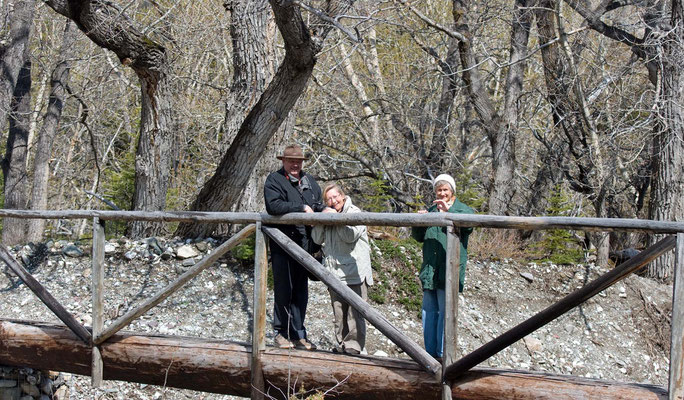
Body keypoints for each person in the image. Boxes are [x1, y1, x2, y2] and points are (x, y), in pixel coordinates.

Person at [264, 144, 325, 350]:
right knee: (283, 289)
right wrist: (300, 208)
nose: (295, 164)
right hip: (283, 243)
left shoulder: (309, 181)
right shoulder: (275, 180)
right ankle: (280, 333)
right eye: (291, 161)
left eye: (298, 161)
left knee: (301, 291)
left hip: (305, 245)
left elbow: (316, 203)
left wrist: (324, 210)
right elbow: (273, 206)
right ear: (283, 161)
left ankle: (299, 334)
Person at [411, 174, 473, 360]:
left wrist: (450, 213)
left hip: (449, 271)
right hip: (430, 270)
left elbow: (469, 224)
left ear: (452, 191)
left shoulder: (462, 209)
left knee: (446, 313)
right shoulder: (432, 209)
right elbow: (418, 237)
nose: (442, 193)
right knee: (429, 312)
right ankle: (430, 354)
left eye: (445, 189)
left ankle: (443, 355)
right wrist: (419, 221)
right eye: (439, 190)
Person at [312, 184, 373, 355]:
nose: (333, 201)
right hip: (333, 273)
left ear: (343, 196)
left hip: (355, 272)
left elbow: (349, 236)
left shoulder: (355, 212)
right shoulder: (328, 214)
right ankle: (342, 344)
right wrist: (322, 220)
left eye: (335, 197)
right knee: (339, 313)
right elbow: (316, 239)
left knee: (355, 314)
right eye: (329, 199)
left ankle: (354, 347)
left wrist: (335, 220)